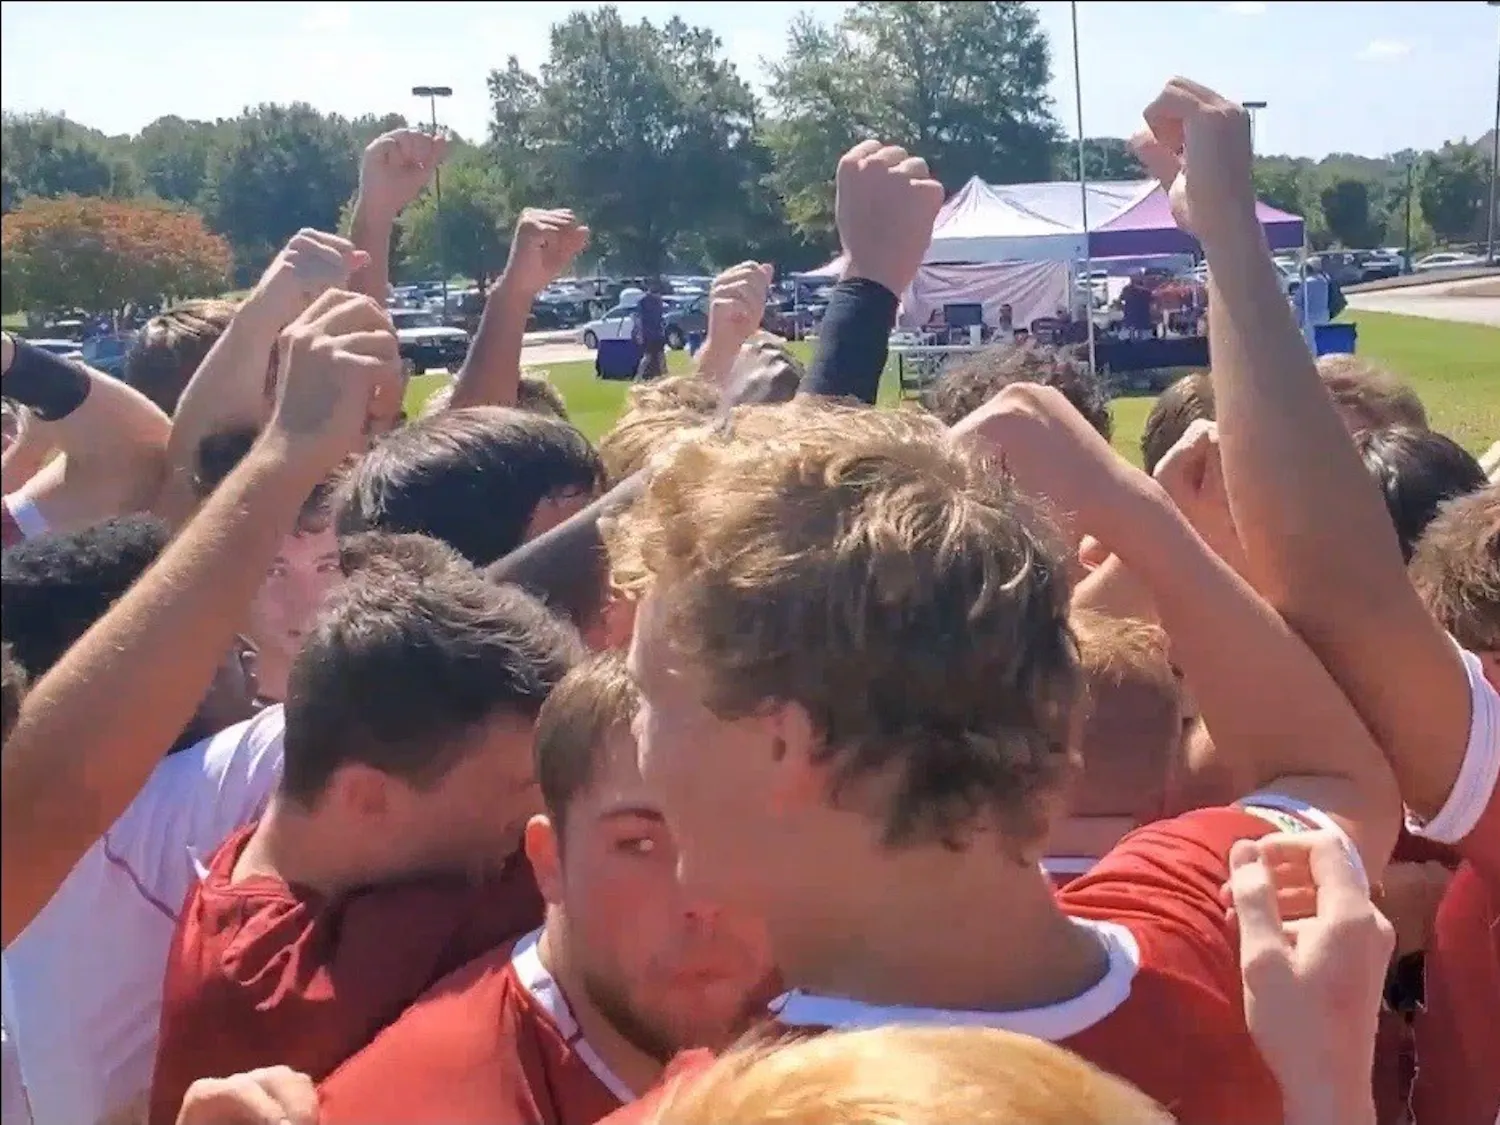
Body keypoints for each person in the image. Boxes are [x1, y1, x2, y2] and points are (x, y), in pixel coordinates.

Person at [147, 548, 583, 1124]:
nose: (544, 806)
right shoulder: (284, 991)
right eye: (522, 783)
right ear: (366, 797)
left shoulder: (328, 868)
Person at [315, 653, 777, 1123]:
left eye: (744, 833)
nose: (704, 896)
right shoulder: (414, 1108)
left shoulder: (828, 1009)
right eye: (638, 844)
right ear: (549, 860)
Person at [634, 279, 666, 381]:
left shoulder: (644, 301)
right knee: (654, 356)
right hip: (653, 333)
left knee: (654, 356)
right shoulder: (655, 301)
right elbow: (640, 319)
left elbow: (638, 319)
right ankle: (639, 376)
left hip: (652, 333)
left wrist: (639, 333)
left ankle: (640, 376)